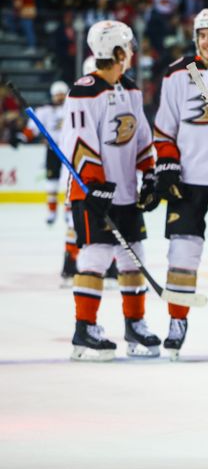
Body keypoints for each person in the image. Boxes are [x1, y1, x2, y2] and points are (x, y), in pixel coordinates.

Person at [61, 20, 161, 361]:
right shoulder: (84, 90)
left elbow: (142, 137)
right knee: (96, 256)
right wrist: (94, 184)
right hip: (91, 193)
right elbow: (78, 141)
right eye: (128, 48)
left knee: (134, 256)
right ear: (118, 52)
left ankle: (135, 324)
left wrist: (149, 175)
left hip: (126, 193)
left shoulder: (130, 89)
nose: (132, 53)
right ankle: (84, 329)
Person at [153, 8, 208, 360]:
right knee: (182, 255)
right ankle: (177, 321)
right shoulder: (177, 75)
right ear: (195, 39)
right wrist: (168, 166)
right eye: (203, 35)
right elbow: (164, 129)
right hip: (187, 182)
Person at [23, 81, 69, 225]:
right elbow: (31, 130)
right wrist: (22, 137)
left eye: (62, 94)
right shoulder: (44, 111)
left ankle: (70, 212)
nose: (60, 97)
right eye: (57, 95)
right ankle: (52, 211)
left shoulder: (73, 108)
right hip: (53, 151)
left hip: (70, 150)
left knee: (70, 183)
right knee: (51, 184)